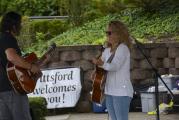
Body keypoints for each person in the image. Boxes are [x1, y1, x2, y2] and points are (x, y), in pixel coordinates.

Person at [0, 11, 41, 120]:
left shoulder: (1, 38)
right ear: (13, 26)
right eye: (19, 24)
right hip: (12, 89)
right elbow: (12, 57)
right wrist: (31, 67)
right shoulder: (8, 38)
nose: (21, 27)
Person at [92, 20, 134, 120]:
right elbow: (102, 65)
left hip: (122, 91)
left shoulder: (123, 48)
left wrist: (101, 63)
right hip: (109, 90)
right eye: (106, 32)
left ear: (119, 33)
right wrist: (96, 70)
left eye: (109, 33)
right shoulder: (107, 50)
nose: (107, 35)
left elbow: (115, 66)